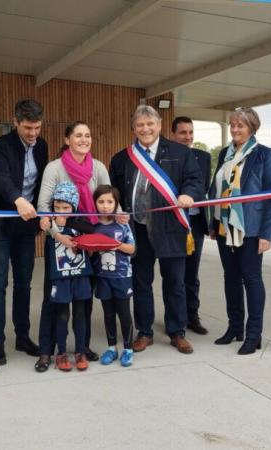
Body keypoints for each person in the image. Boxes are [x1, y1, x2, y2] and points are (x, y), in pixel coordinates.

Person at [109, 105, 203, 354]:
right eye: (140, 125)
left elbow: (195, 180)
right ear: (134, 128)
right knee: (141, 282)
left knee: (175, 282)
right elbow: (115, 191)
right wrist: (116, 207)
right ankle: (145, 331)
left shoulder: (180, 152)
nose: (145, 129)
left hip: (171, 227)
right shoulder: (122, 158)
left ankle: (177, 331)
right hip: (137, 229)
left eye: (150, 124)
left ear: (160, 125)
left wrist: (187, 194)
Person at [34, 121, 115, 371]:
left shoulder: (98, 167)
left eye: (88, 135)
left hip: (88, 243)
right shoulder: (54, 168)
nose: (84, 139)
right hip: (60, 244)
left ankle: (82, 347)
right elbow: (43, 207)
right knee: (54, 300)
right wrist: (58, 236)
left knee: (84, 300)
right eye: (78, 135)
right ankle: (47, 351)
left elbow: (107, 200)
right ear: (67, 139)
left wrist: (107, 231)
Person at [209, 107, 271, 355]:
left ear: (252, 127)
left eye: (240, 125)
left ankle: (253, 334)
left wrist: (266, 234)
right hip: (224, 227)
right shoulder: (224, 155)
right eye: (233, 125)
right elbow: (215, 190)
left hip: (249, 229)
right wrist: (212, 224)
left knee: (251, 279)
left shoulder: (264, 155)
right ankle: (234, 328)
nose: (235, 129)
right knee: (231, 278)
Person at [0, 99, 48, 365]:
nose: (32, 134)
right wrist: (17, 199)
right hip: (2, 227)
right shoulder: (1, 146)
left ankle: (22, 336)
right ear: (15, 122)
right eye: (27, 128)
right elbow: (0, 179)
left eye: (36, 128)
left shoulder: (42, 146)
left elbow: (42, 181)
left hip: (26, 227)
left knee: (24, 284)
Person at [44, 182, 93, 371]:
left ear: (74, 206)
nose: (61, 211)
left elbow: (93, 231)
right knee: (62, 314)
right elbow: (41, 227)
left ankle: (80, 351)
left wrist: (70, 223)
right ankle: (62, 352)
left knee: (80, 313)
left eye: (66, 207)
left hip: (80, 274)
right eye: (57, 207)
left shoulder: (80, 221)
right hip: (60, 277)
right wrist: (55, 224)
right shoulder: (49, 222)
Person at [171, 116, 211, 335]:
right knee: (175, 274)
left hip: (194, 223)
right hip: (173, 223)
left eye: (190, 132)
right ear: (173, 135)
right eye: (182, 132)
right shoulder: (166, 157)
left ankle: (192, 316)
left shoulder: (204, 157)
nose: (187, 137)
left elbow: (205, 189)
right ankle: (175, 319)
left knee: (192, 273)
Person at [92, 185, 136, 367]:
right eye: (101, 201)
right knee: (108, 314)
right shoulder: (93, 226)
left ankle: (128, 349)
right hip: (103, 278)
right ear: (94, 203)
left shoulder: (123, 225)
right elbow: (90, 252)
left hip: (122, 277)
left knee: (124, 313)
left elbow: (132, 249)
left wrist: (114, 244)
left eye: (110, 201)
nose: (105, 206)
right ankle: (112, 348)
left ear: (116, 203)